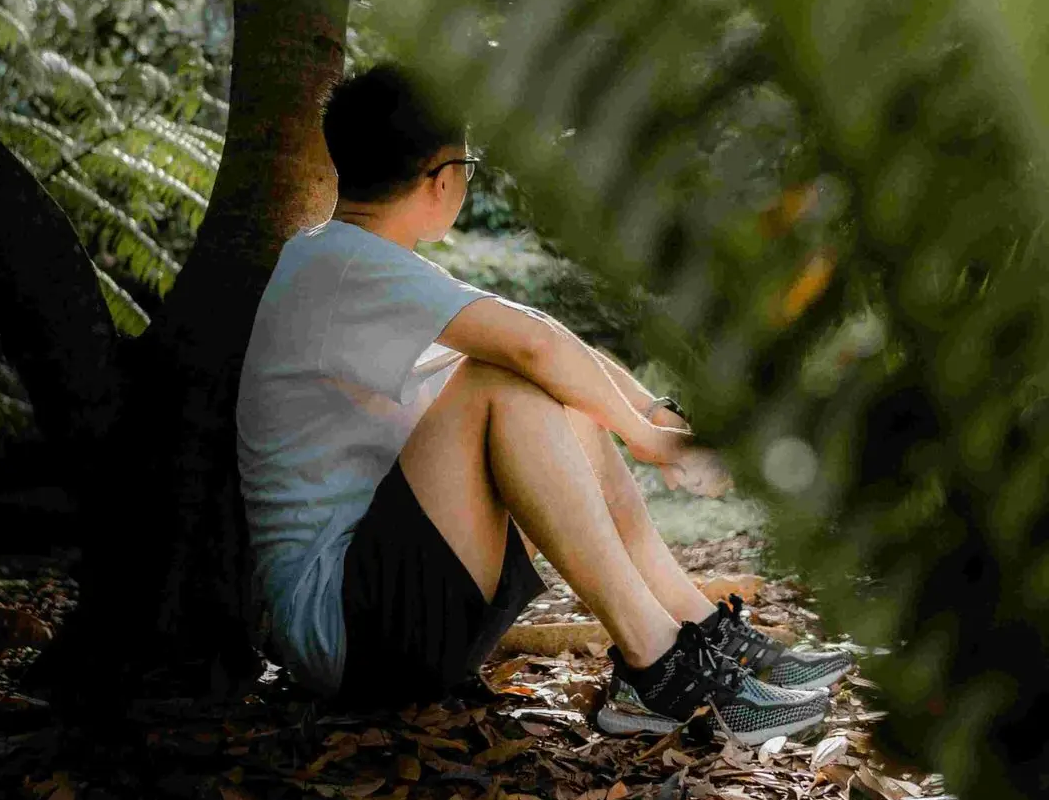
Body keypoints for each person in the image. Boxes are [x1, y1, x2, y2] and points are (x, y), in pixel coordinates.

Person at [235, 64, 852, 745]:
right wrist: (652, 443)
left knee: (538, 382)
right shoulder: (343, 266)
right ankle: (659, 664)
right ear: (443, 178)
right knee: (501, 380)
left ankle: (699, 635)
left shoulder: (356, 265)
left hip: (393, 617)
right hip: (348, 632)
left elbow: (540, 340)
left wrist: (649, 411)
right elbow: (531, 347)